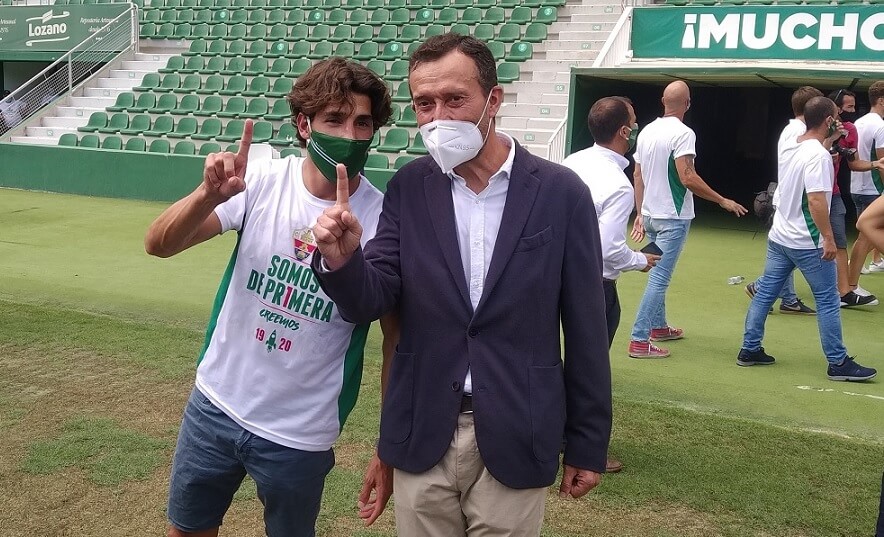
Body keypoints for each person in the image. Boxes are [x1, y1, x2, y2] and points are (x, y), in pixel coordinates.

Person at [313, 34, 613, 536]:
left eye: (455, 99)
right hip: (423, 427)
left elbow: (586, 326)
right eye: (424, 104)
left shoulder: (561, 194)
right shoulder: (409, 188)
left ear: (493, 100)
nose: (438, 117)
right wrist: (343, 262)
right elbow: (376, 296)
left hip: (518, 428)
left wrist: (587, 442)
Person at [144, 57, 397, 537]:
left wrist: (386, 444)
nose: (351, 134)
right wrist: (207, 195)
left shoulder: (384, 220)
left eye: (362, 123)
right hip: (216, 403)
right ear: (304, 126)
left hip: (300, 432)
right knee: (187, 530)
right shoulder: (261, 180)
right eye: (334, 120)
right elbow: (159, 244)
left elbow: (395, 342)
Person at [737, 96, 877, 382]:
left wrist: (832, 137)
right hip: (806, 240)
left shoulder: (798, 145)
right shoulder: (817, 155)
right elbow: (815, 201)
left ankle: (749, 349)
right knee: (827, 300)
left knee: (764, 294)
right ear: (828, 120)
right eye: (836, 116)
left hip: (781, 236)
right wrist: (827, 238)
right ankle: (837, 361)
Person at [561, 96, 659, 474]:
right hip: (592, 286)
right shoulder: (618, 186)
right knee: (591, 370)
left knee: (555, 361)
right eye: (632, 122)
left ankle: (560, 437)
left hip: (557, 276)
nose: (634, 127)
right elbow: (605, 251)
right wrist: (639, 260)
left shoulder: (573, 162)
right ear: (623, 131)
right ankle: (585, 450)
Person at [628, 81, 747, 358]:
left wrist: (640, 213)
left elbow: (637, 175)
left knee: (656, 273)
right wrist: (722, 200)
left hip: (652, 215)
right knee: (659, 279)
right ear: (688, 104)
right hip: (672, 217)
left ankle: (657, 327)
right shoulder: (684, 133)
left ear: (662, 101)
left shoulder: (647, 130)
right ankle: (639, 339)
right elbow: (688, 177)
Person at [744, 86, 823, 315]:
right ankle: (761, 287)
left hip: (787, 198)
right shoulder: (798, 130)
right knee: (795, 250)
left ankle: (787, 299)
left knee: (787, 252)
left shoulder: (794, 128)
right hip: (791, 199)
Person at [827, 88, 882, 306]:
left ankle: (845, 291)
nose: (851, 111)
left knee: (842, 240)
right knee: (804, 243)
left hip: (837, 191)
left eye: (853, 106)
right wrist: (831, 139)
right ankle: (848, 285)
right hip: (813, 193)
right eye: (848, 107)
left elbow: (854, 162)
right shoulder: (818, 126)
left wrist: (874, 164)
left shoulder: (852, 127)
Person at [847, 81, 884, 299]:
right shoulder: (880, 126)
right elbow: (882, 162)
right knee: (865, 236)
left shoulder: (858, 122)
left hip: (857, 185)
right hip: (873, 187)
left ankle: (852, 282)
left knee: (866, 236)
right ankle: (851, 285)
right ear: (881, 101)